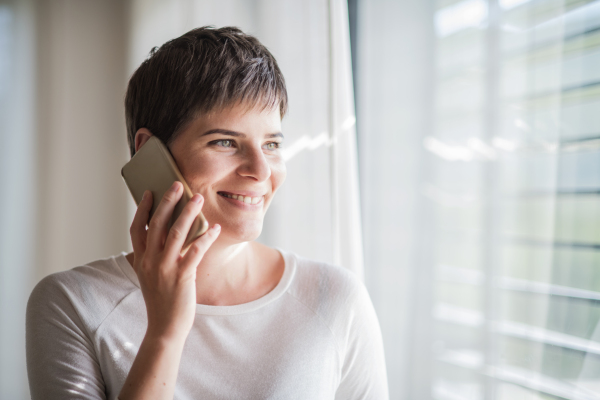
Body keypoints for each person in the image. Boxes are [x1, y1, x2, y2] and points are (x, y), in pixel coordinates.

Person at [26, 26, 388, 400]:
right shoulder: (72, 302)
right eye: (225, 142)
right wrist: (165, 333)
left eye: (271, 144)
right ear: (149, 153)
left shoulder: (336, 299)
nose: (261, 171)